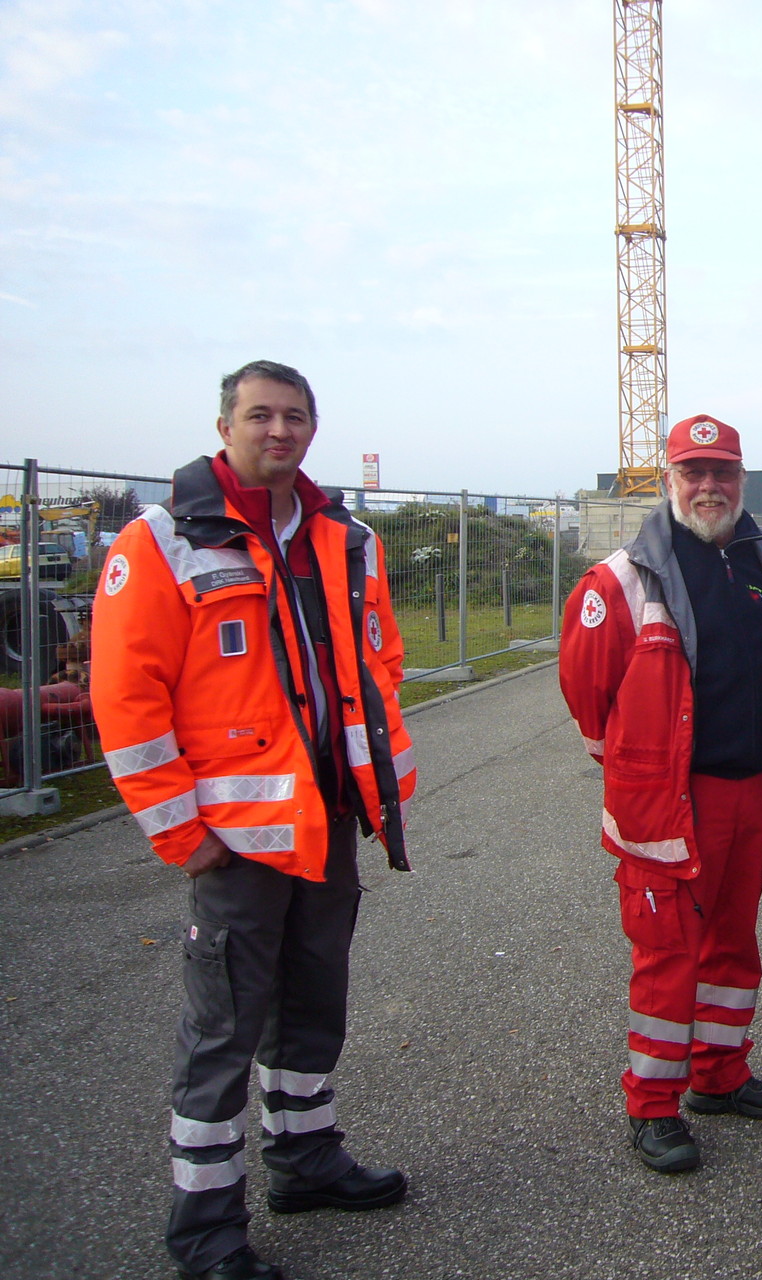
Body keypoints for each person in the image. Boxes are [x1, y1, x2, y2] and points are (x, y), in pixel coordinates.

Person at [90, 360, 416, 1280]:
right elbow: (126, 702)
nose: (280, 431)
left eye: (296, 416)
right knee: (222, 1036)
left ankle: (305, 1161)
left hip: (326, 824)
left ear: (314, 429)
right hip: (230, 845)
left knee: (314, 1008)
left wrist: (374, 779)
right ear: (225, 423)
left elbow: (380, 658)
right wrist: (178, 830)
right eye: (261, 415)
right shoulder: (159, 542)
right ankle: (205, 1232)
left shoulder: (344, 539)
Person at [558, 413, 762, 1174]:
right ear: (670, 480)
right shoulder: (621, 577)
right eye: (694, 472)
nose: (709, 486)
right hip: (672, 802)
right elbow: (586, 691)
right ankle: (651, 1107)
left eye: (724, 473)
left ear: (741, 480)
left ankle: (720, 1074)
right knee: (668, 953)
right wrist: (634, 769)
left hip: (750, 792)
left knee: (733, 942)